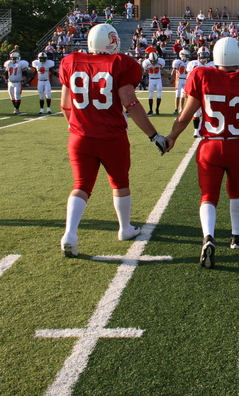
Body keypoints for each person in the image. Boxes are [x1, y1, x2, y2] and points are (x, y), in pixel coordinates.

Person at [58, 24, 167, 257]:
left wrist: (75, 125)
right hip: (112, 137)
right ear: (113, 41)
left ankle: (70, 233)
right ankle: (125, 228)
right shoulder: (122, 63)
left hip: (80, 137)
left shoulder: (71, 61)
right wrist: (154, 135)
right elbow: (131, 103)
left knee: (81, 185)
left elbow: (65, 104)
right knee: (119, 182)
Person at [163, 37, 239, 268]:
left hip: (210, 145)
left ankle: (209, 236)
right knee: (237, 191)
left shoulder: (201, 75)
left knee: (208, 195)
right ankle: (236, 236)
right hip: (238, 145)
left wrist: (172, 136)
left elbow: (185, 116)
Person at [171, 49, 189, 114]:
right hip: (179, 79)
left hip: (186, 79)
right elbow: (173, 71)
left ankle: (181, 109)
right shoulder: (177, 62)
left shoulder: (188, 62)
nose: (187, 56)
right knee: (177, 94)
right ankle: (176, 108)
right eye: (186, 55)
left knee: (183, 95)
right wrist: (172, 78)